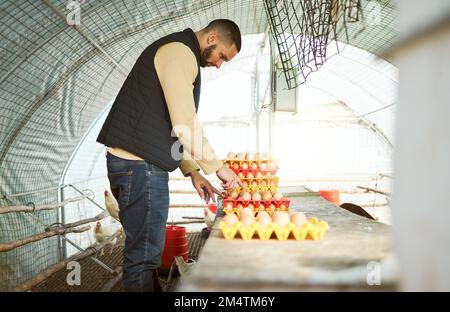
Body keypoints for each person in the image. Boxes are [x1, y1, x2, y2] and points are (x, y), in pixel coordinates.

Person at [96, 19, 243, 292]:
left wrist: (193, 171)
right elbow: (184, 123)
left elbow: (167, 124)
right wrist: (218, 167)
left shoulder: (179, 53)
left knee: (146, 251)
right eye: (222, 56)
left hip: (134, 164)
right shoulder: (179, 53)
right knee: (143, 255)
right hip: (138, 166)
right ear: (212, 37)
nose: (219, 64)